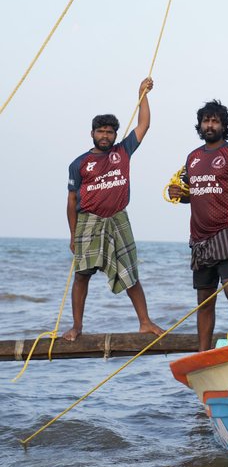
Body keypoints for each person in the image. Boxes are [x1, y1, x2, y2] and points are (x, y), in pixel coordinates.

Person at [63, 78, 164, 341]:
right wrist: (73, 235)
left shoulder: (123, 151)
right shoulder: (79, 163)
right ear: (92, 133)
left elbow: (144, 124)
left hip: (119, 219)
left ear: (115, 135)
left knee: (130, 273)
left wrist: (142, 95)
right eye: (101, 131)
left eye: (109, 132)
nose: (105, 136)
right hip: (88, 221)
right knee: (82, 275)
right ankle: (77, 326)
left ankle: (145, 322)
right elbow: (71, 202)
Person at [168, 100, 228, 351]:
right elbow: (195, 193)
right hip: (199, 238)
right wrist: (179, 194)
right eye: (206, 121)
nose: (209, 125)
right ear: (200, 125)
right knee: (204, 299)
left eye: (215, 121)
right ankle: (203, 352)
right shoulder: (192, 157)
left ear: (224, 125)